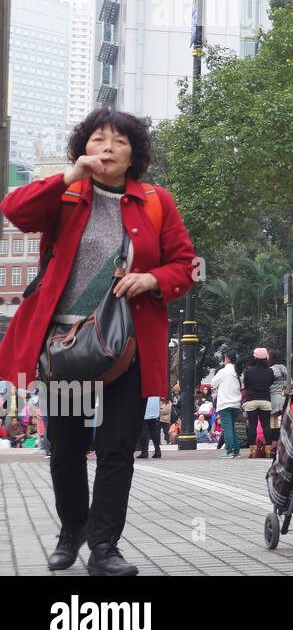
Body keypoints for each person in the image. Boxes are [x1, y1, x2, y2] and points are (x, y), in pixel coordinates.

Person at [0, 108, 196, 575]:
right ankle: (72, 532)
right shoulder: (66, 194)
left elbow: (186, 264)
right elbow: (15, 210)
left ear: (135, 155)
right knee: (66, 449)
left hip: (123, 351)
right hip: (66, 352)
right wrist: (69, 175)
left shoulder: (155, 201)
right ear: (83, 149)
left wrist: (151, 277)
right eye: (97, 139)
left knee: (115, 450)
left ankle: (104, 547)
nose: (107, 148)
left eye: (119, 141)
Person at [211, 351, 243, 458]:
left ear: (228, 359)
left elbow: (213, 383)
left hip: (225, 403)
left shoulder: (223, 372)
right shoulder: (238, 371)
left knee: (227, 428)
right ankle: (236, 451)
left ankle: (229, 451)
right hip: (235, 404)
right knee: (232, 428)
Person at [240, 348, 274, 447]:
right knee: (266, 425)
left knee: (252, 425)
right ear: (266, 358)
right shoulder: (270, 371)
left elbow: (246, 384)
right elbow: (270, 383)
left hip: (252, 400)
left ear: (254, 357)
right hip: (265, 400)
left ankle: (253, 449)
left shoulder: (249, 371)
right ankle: (268, 449)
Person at [137, 395, 162, 459]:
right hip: (154, 406)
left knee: (143, 430)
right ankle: (157, 450)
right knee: (154, 430)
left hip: (145, 404)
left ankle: (144, 451)